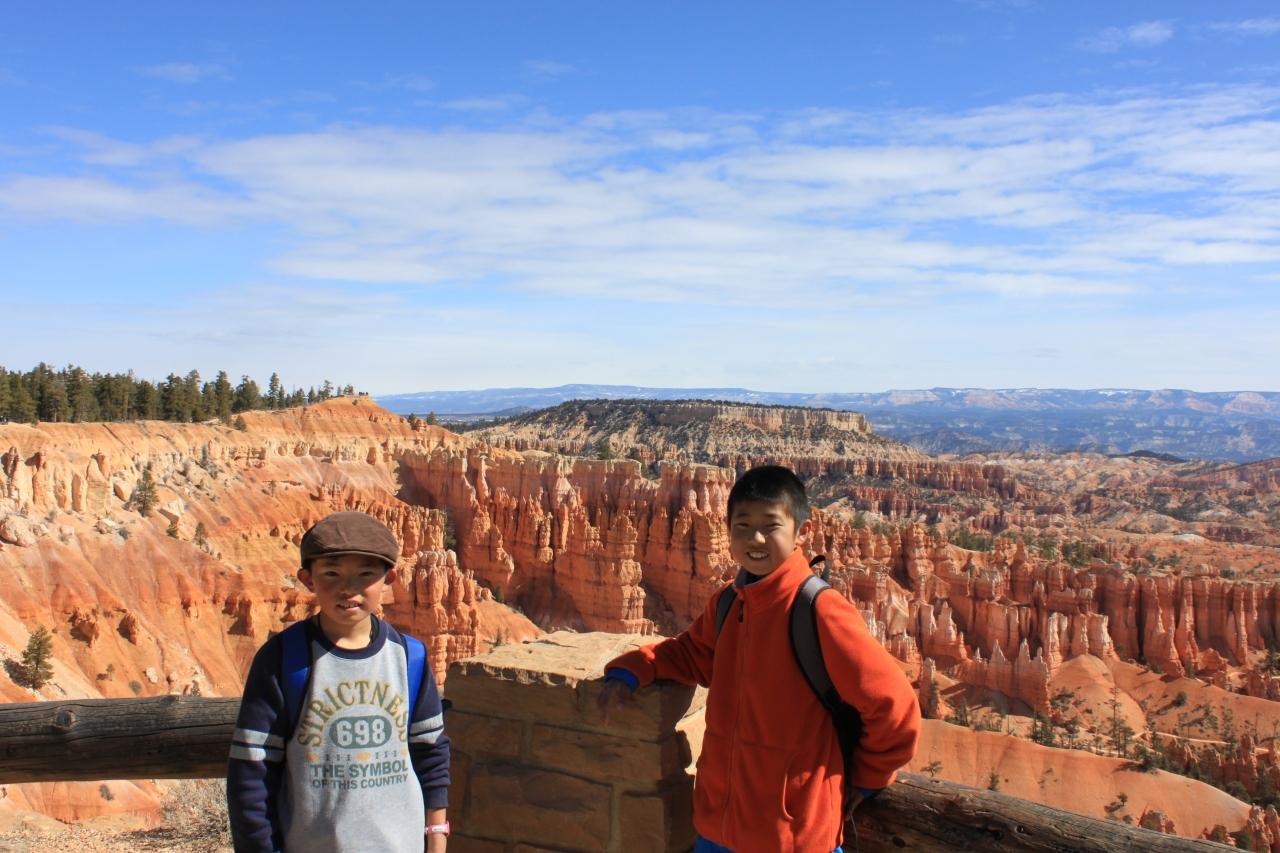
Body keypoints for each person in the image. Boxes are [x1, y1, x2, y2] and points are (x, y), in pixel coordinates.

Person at [599, 466, 920, 853]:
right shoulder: (729, 601)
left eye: (771, 526)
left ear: (802, 532)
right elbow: (692, 653)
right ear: (728, 531)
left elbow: (894, 705)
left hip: (791, 837)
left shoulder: (818, 610)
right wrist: (633, 669)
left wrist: (869, 776)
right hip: (717, 829)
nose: (755, 538)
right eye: (743, 526)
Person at [227, 511, 451, 852]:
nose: (348, 588)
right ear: (308, 579)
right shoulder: (283, 660)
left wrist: (436, 838)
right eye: (331, 573)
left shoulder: (410, 658)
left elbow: (431, 754)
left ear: (389, 578)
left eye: (366, 574)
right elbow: (252, 774)